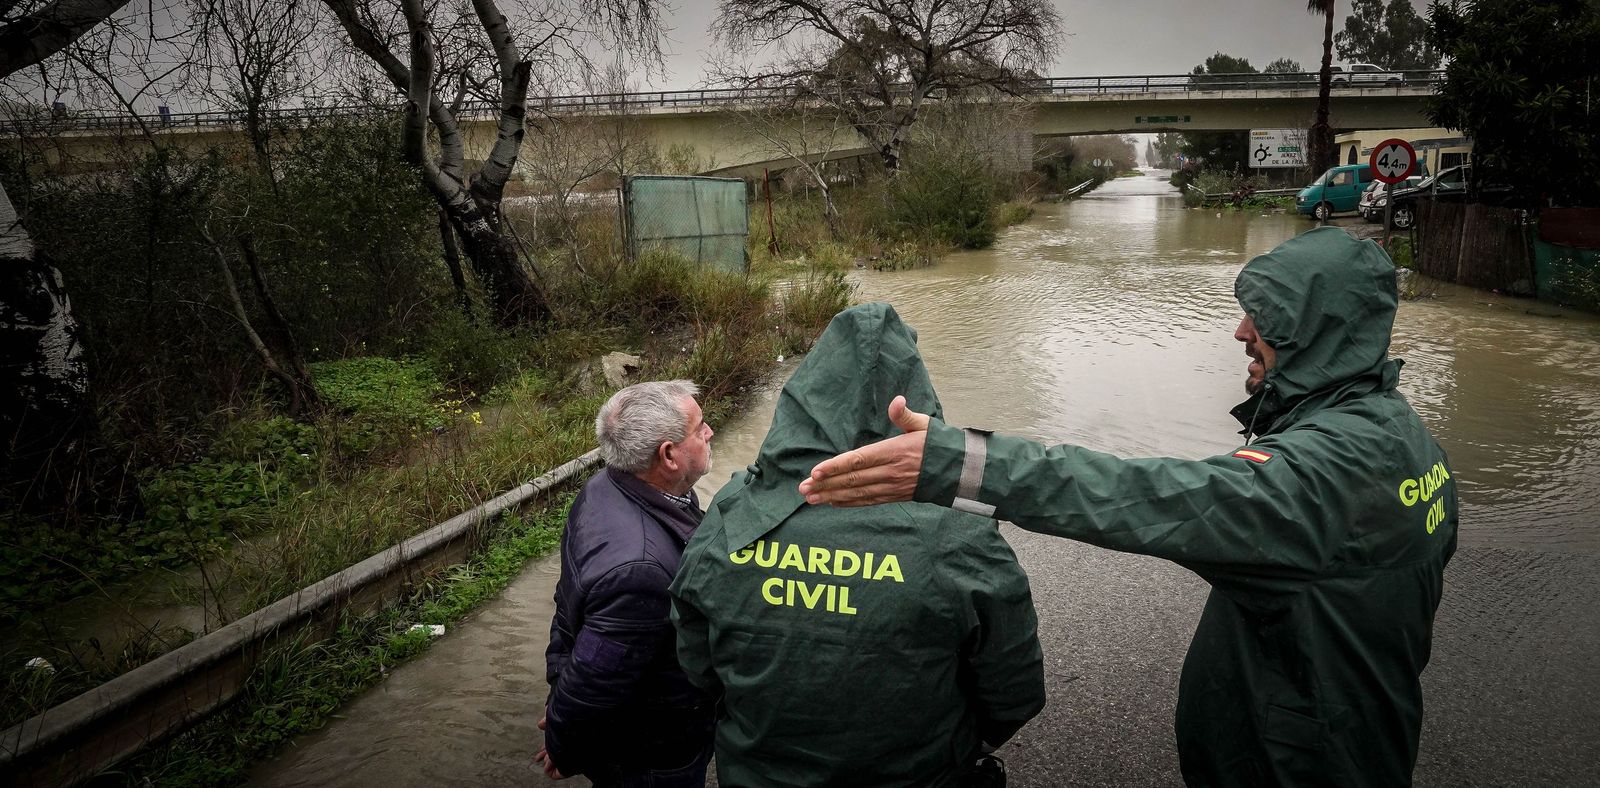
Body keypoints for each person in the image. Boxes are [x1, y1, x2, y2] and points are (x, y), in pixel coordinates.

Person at [799, 228, 1458, 787]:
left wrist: (956, 462)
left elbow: (1141, 496)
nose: (1241, 330)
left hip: (1293, 766)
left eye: (1269, 316)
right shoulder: (1400, 435)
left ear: (1322, 331)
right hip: (1358, 735)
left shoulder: (1320, 478)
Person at [670, 303, 1046, 788]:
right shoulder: (956, 529)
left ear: (806, 393)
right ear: (915, 395)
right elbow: (1014, 688)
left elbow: (697, 660)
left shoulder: (734, 507)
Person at [538, 380, 717, 785]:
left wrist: (558, 695)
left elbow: (571, 608)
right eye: (699, 427)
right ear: (668, 456)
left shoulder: (609, 484)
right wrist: (564, 739)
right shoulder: (639, 570)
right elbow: (596, 677)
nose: (709, 432)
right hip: (652, 754)